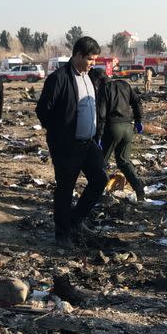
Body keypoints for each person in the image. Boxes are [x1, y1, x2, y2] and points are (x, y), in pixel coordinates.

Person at [36, 36, 108, 250]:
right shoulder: (59, 78)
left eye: (94, 59)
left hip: (88, 143)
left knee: (100, 180)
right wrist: (60, 133)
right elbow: (43, 110)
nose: (93, 63)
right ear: (77, 55)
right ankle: (62, 234)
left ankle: (76, 220)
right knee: (65, 189)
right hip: (67, 145)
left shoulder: (89, 77)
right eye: (90, 59)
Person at [90, 67, 145, 201]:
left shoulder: (104, 90)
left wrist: (99, 135)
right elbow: (137, 101)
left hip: (113, 128)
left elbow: (101, 115)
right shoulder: (124, 84)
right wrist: (139, 120)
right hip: (128, 128)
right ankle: (139, 189)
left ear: (97, 81)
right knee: (124, 161)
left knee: (100, 162)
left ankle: (96, 194)